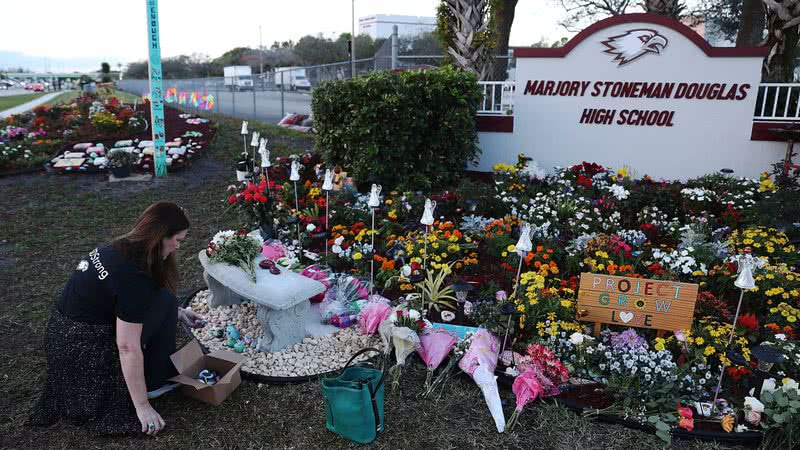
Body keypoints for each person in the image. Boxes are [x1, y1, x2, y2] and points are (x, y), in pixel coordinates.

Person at [27, 201, 205, 435]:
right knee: (164, 301)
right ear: (161, 236)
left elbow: (130, 301)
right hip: (83, 350)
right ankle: (152, 382)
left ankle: (157, 367)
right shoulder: (133, 276)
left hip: (61, 334)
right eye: (178, 240)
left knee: (166, 300)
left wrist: (179, 313)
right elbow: (127, 347)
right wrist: (142, 407)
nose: (178, 247)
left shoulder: (118, 248)